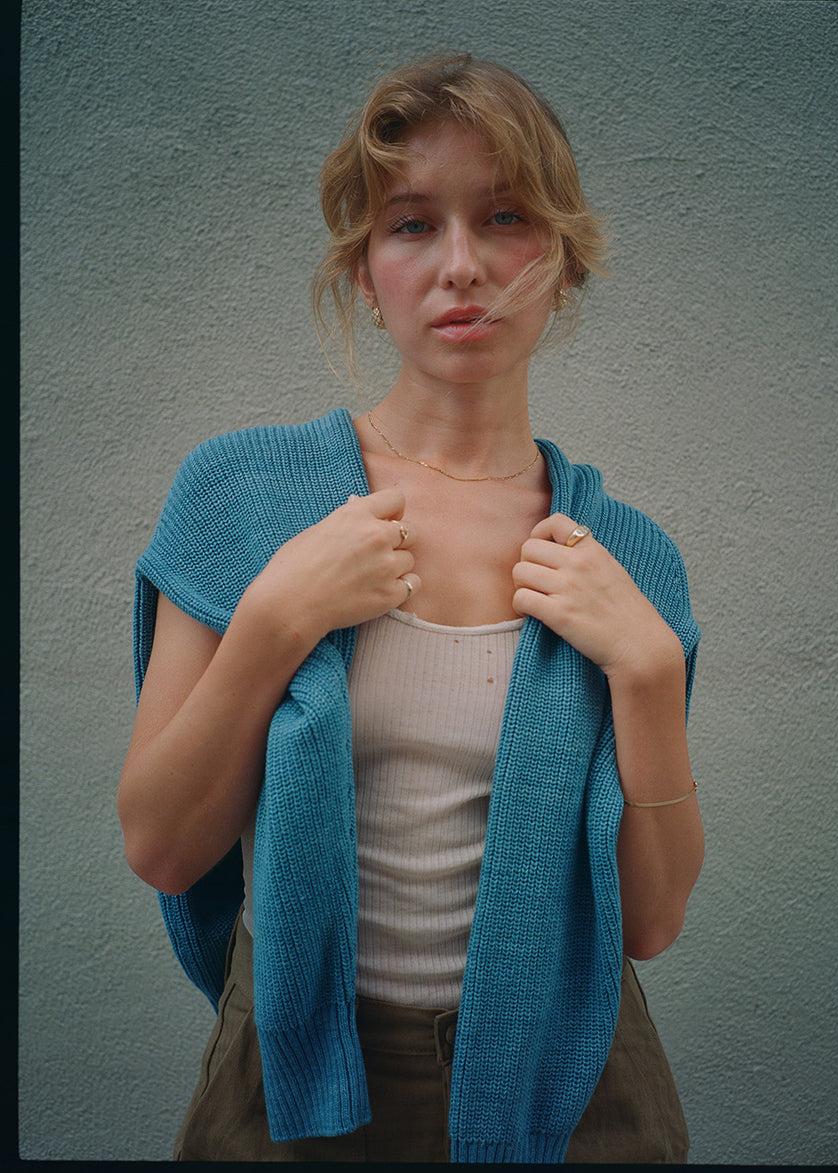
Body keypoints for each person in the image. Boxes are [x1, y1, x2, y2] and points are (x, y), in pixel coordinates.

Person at [118, 54, 704, 1164]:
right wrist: (276, 621)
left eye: (505, 218)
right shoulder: (243, 496)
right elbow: (160, 844)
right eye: (412, 226)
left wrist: (650, 676)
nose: (463, 266)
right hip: (297, 1083)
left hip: (576, 1083)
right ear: (361, 272)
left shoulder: (631, 562)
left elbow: (655, 922)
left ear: (565, 263)